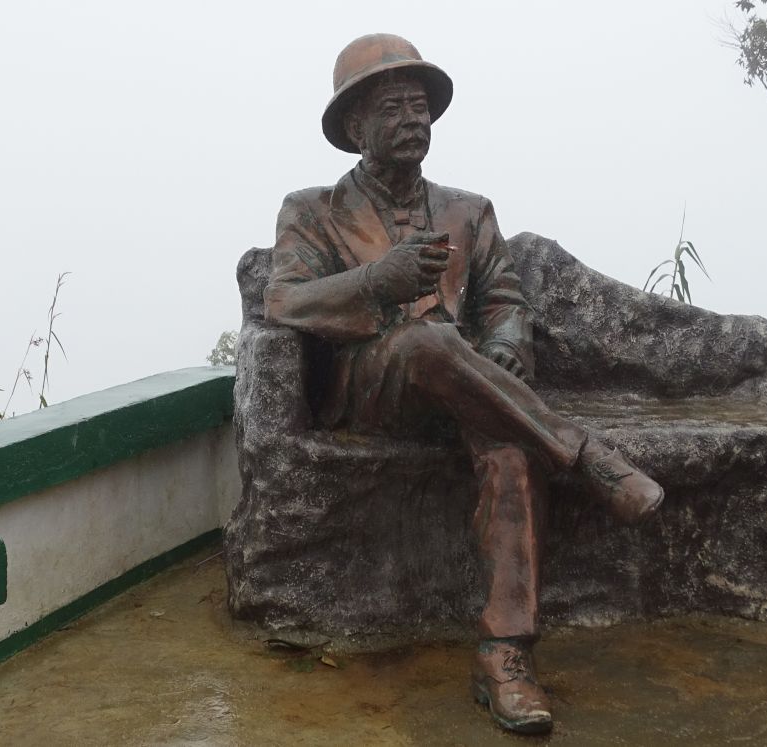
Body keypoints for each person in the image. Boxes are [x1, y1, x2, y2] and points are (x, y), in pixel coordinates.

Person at [263, 33, 664, 735]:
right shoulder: (312, 208)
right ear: (356, 127)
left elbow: (504, 304)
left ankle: (505, 655)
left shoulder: (470, 210)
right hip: (375, 386)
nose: (413, 120)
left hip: (469, 390)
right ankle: (584, 454)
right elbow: (285, 302)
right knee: (427, 339)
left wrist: (506, 348)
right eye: (393, 109)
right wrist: (373, 281)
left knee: (510, 451)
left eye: (420, 107)